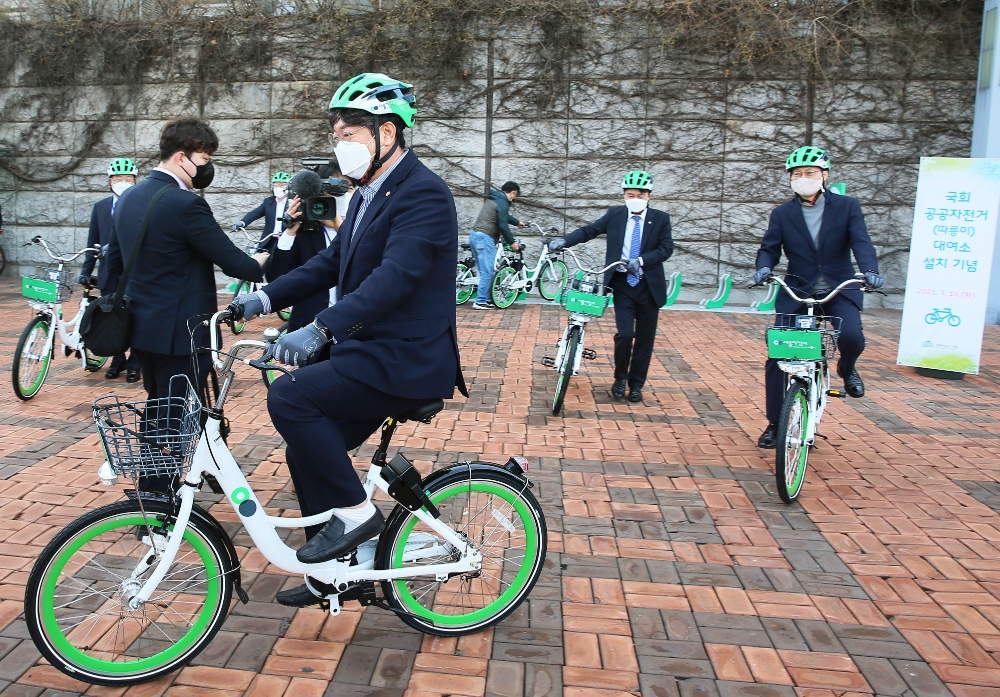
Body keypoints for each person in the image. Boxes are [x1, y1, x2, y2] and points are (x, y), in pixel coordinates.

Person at [233, 72, 467, 607]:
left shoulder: (424, 192)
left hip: (404, 357)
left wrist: (320, 328)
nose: (341, 145)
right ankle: (341, 571)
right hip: (369, 353)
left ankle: (360, 518)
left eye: (351, 133)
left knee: (290, 397)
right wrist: (262, 299)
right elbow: (328, 263)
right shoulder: (364, 195)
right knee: (308, 452)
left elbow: (397, 278)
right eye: (337, 134)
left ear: (388, 131)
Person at [105, 118, 269, 402]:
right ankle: (165, 449)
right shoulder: (186, 204)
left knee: (158, 403)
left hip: (141, 328)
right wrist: (260, 259)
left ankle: (154, 449)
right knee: (177, 415)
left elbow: (114, 264)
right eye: (204, 158)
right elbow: (238, 266)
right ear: (181, 157)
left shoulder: (129, 197)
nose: (207, 167)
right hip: (182, 336)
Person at [753, 146, 884, 449]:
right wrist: (763, 267)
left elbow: (861, 242)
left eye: (810, 172)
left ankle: (847, 367)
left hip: (839, 287)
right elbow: (770, 248)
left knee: (851, 338)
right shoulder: (782, 214)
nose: (803, 178)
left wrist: (870, 271)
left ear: (825, 174)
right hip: (798, 289)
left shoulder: (847, 207)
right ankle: (775, 422)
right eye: (797, 174)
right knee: (778, 355)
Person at [548, 170, 673, 403]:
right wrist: (564, 241)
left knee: (645, 340)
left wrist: (642, 260)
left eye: (640, 194)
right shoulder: (615, 215)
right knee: (625, 334)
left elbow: (666, 248)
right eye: (630, 194)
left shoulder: (661, 219)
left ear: (648, 196)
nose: (635, 198)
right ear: (624, 195)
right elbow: (589, 231)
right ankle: (620, 378)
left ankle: (636, 385)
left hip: (648, 287)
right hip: (623, 284)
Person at [268, 162, 355, 330]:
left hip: (351, 327)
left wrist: (341, 227)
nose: (339, 196)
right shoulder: (305, 232)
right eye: (331, 190)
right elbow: (276, 277)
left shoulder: (366, 228)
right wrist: (289, 232)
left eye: (347, 188)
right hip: (308, 328)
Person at [79, 158, 142, 382]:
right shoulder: (100, 207)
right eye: (118, 178)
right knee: (111, 318)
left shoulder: (143, 206)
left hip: (134, 272)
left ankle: (136, 363)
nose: (122, 182)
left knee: (134, 316)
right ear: (109, 181)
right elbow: (92, 242)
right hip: (108, 271)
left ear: (136, 181)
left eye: (128, 179)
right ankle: (118, 360)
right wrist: (86, 270)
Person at [468, 181, 525, 309]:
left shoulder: (495, 198)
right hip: (485, 237)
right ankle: (480, 301)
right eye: (515, 197)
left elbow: (503, 216)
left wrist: (517, 222)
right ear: (512, 193)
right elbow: (502, 224)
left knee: (485, 271)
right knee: (488, 271)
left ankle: (487, 299)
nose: (513, 199)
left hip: (475, 235)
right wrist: (512, 242)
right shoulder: (503, 202)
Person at [234, 171, 291, 255]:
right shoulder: (268, 202)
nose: (278, 188)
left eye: (282, 185)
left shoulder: (292, 202)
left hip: (286, 240)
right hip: (269, 240)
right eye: (275, 185)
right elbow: (254, 214)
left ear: (288, 187)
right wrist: (241, 223)